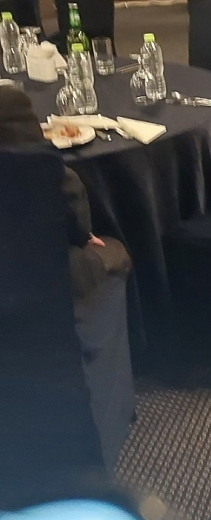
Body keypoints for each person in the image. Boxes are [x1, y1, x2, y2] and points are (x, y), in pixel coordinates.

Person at [0, 81, 134, 470]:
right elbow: (73, 213)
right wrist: (82, 235)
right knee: (115, 252)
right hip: (42, 287)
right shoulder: (10, 106)